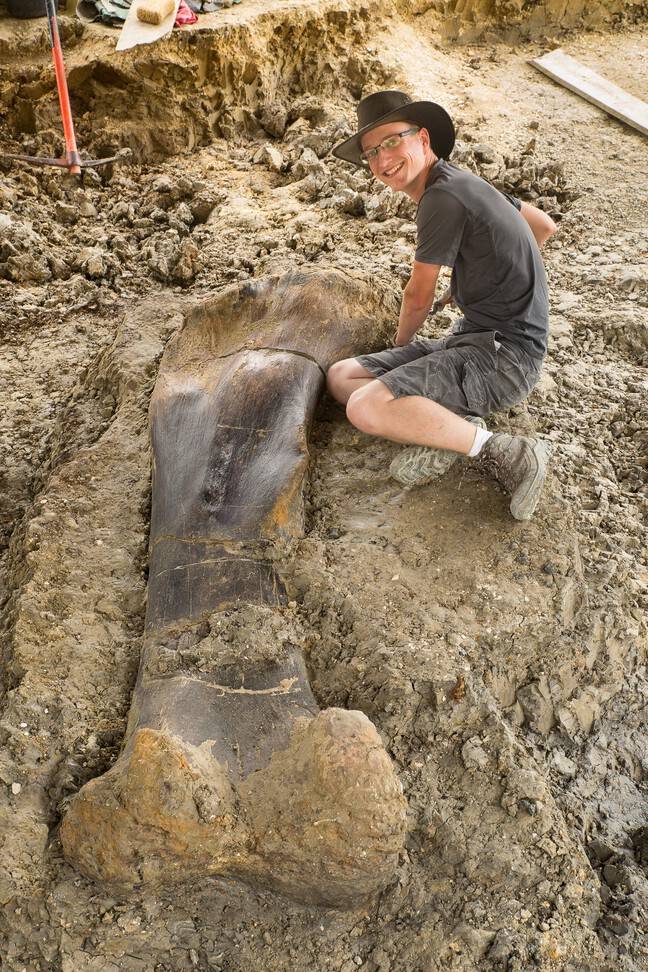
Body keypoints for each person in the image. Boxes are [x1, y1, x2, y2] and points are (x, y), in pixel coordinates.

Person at [327, 90, 557, 520]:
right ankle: (446, 430)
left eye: (392, 141)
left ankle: (503, 451)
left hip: (504, 358)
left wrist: (401, 343)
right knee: (343, 377)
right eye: (371, 153)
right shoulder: (462, 182)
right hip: (476, 339)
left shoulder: (441, 198)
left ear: (423, 139)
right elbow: (543, 227)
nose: (381, 160)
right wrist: (488, 277)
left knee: (365, 405)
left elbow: (419, 295)